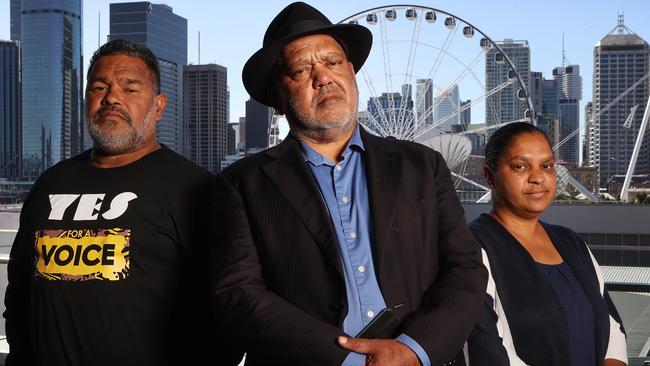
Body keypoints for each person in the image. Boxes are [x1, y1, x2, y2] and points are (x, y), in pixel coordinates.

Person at [210, 2, 487, 365]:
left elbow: (465, 268)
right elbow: (238, 293)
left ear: (352, 72)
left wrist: (414, 351)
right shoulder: (241, 185)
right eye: (301, 69)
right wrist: (351, 359)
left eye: (333, 62)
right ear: (278, 99)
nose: (322, 76)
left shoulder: (422, 165)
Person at [4, 39, 241, 366]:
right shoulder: (51, 183)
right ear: (86, 99)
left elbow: (229, 312)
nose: (111, 98)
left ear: (158, 106)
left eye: (130, 89)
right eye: (99, 87)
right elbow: (19, 296)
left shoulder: (199, 189)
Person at [466, 122, 627, 366]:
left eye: (547, 166)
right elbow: (488, 351)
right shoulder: (471, 249)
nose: (537, 178)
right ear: (489, 176)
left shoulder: (572, 242)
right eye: (520, 167)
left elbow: (612, 328)